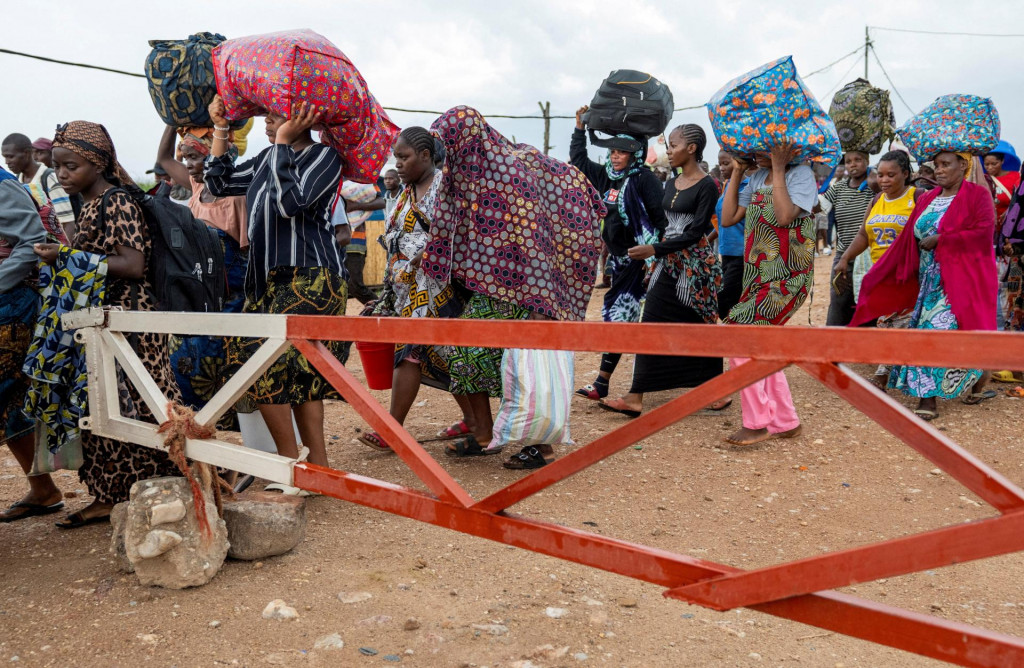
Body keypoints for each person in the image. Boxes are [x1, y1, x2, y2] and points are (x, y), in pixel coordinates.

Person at [425, 106, 603, 469]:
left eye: (449, 142)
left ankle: (542, 447)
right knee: (468, 357)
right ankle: (484, 434)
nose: (447, 152)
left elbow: (531, 237)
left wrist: (542, 300)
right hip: (489, 286)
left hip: (527, 288)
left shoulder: (507, 172)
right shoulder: (464, 172)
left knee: (527, 369)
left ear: (469, 138)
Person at [32, 121, 183, 527]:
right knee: (101, 406)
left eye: (71, 166)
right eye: (58, 166)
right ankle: (110, 494)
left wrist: (64, 259)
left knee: (146, 405)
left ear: (97, 164)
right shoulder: (90, 204)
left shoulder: (115, 201)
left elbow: (133, 265)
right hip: (103, 320)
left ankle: (184, 479)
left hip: (131, 321)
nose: (62, 174)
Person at [205, 95, 349, 475]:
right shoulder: (267, 158)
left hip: (311, 277)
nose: (268, 121)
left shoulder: (326, 158)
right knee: (272, 368)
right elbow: (217, 183)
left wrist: (283, 142)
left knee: (289, 370)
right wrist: (222, 128)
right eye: (267, 115)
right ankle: (308, 467)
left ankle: (296, 466)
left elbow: (291, 203)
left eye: (276, 115)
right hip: (266, 281)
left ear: (305, 117)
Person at [853, 151, 998, 421]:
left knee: (946, 332)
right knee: (930, 333)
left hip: (963, 280)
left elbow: (983, 232)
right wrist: (886, 271)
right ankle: (941, 392)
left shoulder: (977, 195)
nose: (939, 170)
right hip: (928, 282)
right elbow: (910, 236)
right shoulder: (929, 198)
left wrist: (943, 238)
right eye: (937, 165)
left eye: (946, 165)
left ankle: (938, 394)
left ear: (963, 165)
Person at [356, 128, 476, 451]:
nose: (398, 164)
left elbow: (455, 235)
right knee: (445, 356)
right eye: (396, 157)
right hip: (410, 288)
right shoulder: (404, 193)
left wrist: (424, 256)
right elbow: (394, 242)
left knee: (411, 353)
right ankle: (475, 422)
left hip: (441, 287)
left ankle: (392, 431)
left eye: (404, 157)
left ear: (425, 156)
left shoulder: (444, 187)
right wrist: (385, 296)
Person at [598, 125, 723, 417]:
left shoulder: (707, 185)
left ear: (691, 149)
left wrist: (654, 250)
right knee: (653, 323)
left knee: (699, 324)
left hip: (694, 268)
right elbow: (664, 225)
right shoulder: (670, 183)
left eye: (674, 145)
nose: (668, 150)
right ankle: (635, 396)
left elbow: (696, 233)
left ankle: (716, 389)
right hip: (667, 263)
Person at [719, 142, 819, 447]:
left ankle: (757, 423)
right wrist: (737, 172)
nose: (755, 152)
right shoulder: (757, 176)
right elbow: (727, 218)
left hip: (788, 276)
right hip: (759, 274)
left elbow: (784, 215)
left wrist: (778, 166)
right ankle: (785, 421)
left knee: (737, 336)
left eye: (762, 147)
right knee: (762, 343)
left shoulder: (801, 174)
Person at [154, 125, 250, 432]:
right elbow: (163, 160)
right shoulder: (197, 187)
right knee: (184, 358)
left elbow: (248, 245)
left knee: (223, 359)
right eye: (186, 157)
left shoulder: (238, 191)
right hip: (200, 290)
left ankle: (236, 431)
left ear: (212, 154)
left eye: (194, 156)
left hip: (232, 289)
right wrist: (171, 123)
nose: (188, 164)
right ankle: (201, 428)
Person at [570, 105, 667, 401]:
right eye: (613, 150)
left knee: (620, 319)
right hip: (619, 262)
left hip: (642, 264)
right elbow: (579, 161)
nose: (615, 155)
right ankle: (604, 383)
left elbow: (661, 221)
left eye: (622, 151)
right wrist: (579, 128)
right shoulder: (607, 177)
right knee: (618, 318)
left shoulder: (645, 179)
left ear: (635, 153)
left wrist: (654, 255)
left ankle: (603, 383)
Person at [0, 167, 63, 523]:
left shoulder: (2, 185)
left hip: (10, 305)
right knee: (12, 404)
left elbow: (32, 242)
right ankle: (43, 490)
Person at [821, 151, 875, 325]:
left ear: (867, 161)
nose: (852, 164)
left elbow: (879, 187)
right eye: (848, 161)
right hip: (844, 255)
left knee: (867, 304)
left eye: (858, 160)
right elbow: (820, 208)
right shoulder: (839, 187)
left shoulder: (872, 187)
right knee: (839, 302)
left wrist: (873, 176)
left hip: (868, 257)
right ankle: (834, 345)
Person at [1, 133, 75, 236]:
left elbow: (67, 223)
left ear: (26, 153)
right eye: (5, 157)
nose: (6, 162)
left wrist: (65, 251)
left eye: (10, 157)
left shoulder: (50, 178)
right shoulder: (16, 180)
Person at [716, 148, 748, 319]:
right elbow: (722, 221)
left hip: (740, 255)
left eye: (726, 163)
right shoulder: (726, 186)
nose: (721, 168)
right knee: (731, 302)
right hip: (726, 253)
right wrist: (708, 239)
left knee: (724, 299)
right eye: (720, 164)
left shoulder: (747, 187)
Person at [340, 184, 383, 304]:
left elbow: (381, 202)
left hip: (355, 243)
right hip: (334, 243)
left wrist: (355, 206)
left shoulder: (363, 181)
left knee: (355, 285)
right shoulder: (333, 178)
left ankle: (382, 309)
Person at [984, 141, 1021, 224]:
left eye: (994, 164)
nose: (990, 167)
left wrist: (1010, 211)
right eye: (986, 164)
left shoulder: (1016, 177)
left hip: (1009, 226)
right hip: (989, 227)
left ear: (1002, 161)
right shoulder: (982, 179)